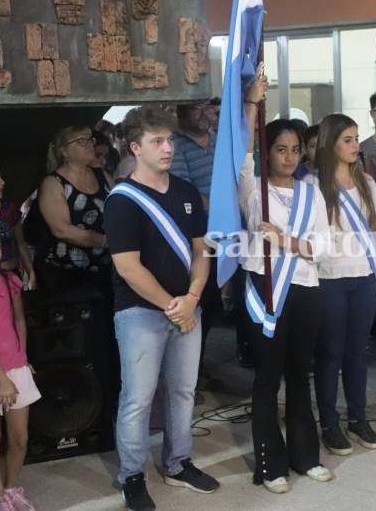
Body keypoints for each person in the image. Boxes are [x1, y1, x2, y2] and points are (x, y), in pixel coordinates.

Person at [104, 105, 219, 511]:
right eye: (158, 141)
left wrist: (193, 297)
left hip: (187, 306)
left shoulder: (187, 193)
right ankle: (132, 476)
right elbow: (128, 267)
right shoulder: (122, 201)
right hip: (140, 313)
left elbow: (202, 250)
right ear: (135, 147)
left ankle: (178, 462)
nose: (168, 147)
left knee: (184, 392)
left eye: (170, 139)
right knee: (138, 397)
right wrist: (175, 305)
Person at [239, 108, 334, 492]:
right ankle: (270, 464)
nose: (290, 157)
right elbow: (242, 153)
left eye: (295, 149)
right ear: (268, 152)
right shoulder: (252, 187)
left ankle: (305, 456)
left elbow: (323, 246)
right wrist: (251, 104)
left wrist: (286, 241)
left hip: (305, 289)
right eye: (281, 149)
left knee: (299, 374)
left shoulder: (312, 192)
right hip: (267, 290)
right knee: (267, 378)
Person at [314, 113, 376, 455]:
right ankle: (329, 423)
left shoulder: (368, 184)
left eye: (357, 139)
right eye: (347, 140)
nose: (356, 145)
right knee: (330, 354)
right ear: (330, 144)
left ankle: (358, 417)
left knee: (357, 353)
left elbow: (375, 227)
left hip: (363, 277)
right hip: (328, 278)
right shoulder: (314, 186)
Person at [170, 102, 223, 393]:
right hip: (198, 238)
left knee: (215, 307)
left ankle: (196, 367)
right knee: (201, 303)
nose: (206, 113)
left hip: (228, 236)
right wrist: (224, 209)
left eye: (209, 107)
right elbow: (186, 193)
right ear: (181, 111)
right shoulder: (176, 145)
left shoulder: (218, 140)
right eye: (197, 108)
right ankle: (188, 374)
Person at [37, 125, 112, 291]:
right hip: (67, 278)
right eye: (81, 141)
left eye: (90, 139)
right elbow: (61, 230)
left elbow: (120, 211)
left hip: (106, 271)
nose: (90, 144)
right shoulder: (53, 183)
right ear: (64, 151)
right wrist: (105, 241)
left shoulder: (102, 175)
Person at [0, 238, 41, 511]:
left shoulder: (7, 280)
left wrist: (22, 359)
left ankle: (10, 489)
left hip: (14, 365)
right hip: (0, 373)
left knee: (19, 438)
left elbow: (19, 319)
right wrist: (1, 378)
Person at [0, 167, 35, 290]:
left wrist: (31, 273)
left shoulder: (8, 210)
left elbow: (21, 243)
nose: (2, 182)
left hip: (10, 274)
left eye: (1, 177)